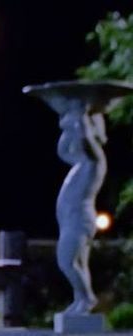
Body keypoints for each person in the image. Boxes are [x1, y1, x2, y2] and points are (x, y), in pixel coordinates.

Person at [55, 102, 106, 314]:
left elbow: (86, 140)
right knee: (79, 263)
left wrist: (81, 118)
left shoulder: (95, 161)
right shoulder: (80, 163)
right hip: (71, 220)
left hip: (79, 220)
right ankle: (81, 301)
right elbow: (62, 151)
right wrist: (67, 128)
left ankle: (88, 298)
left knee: (66, 261)